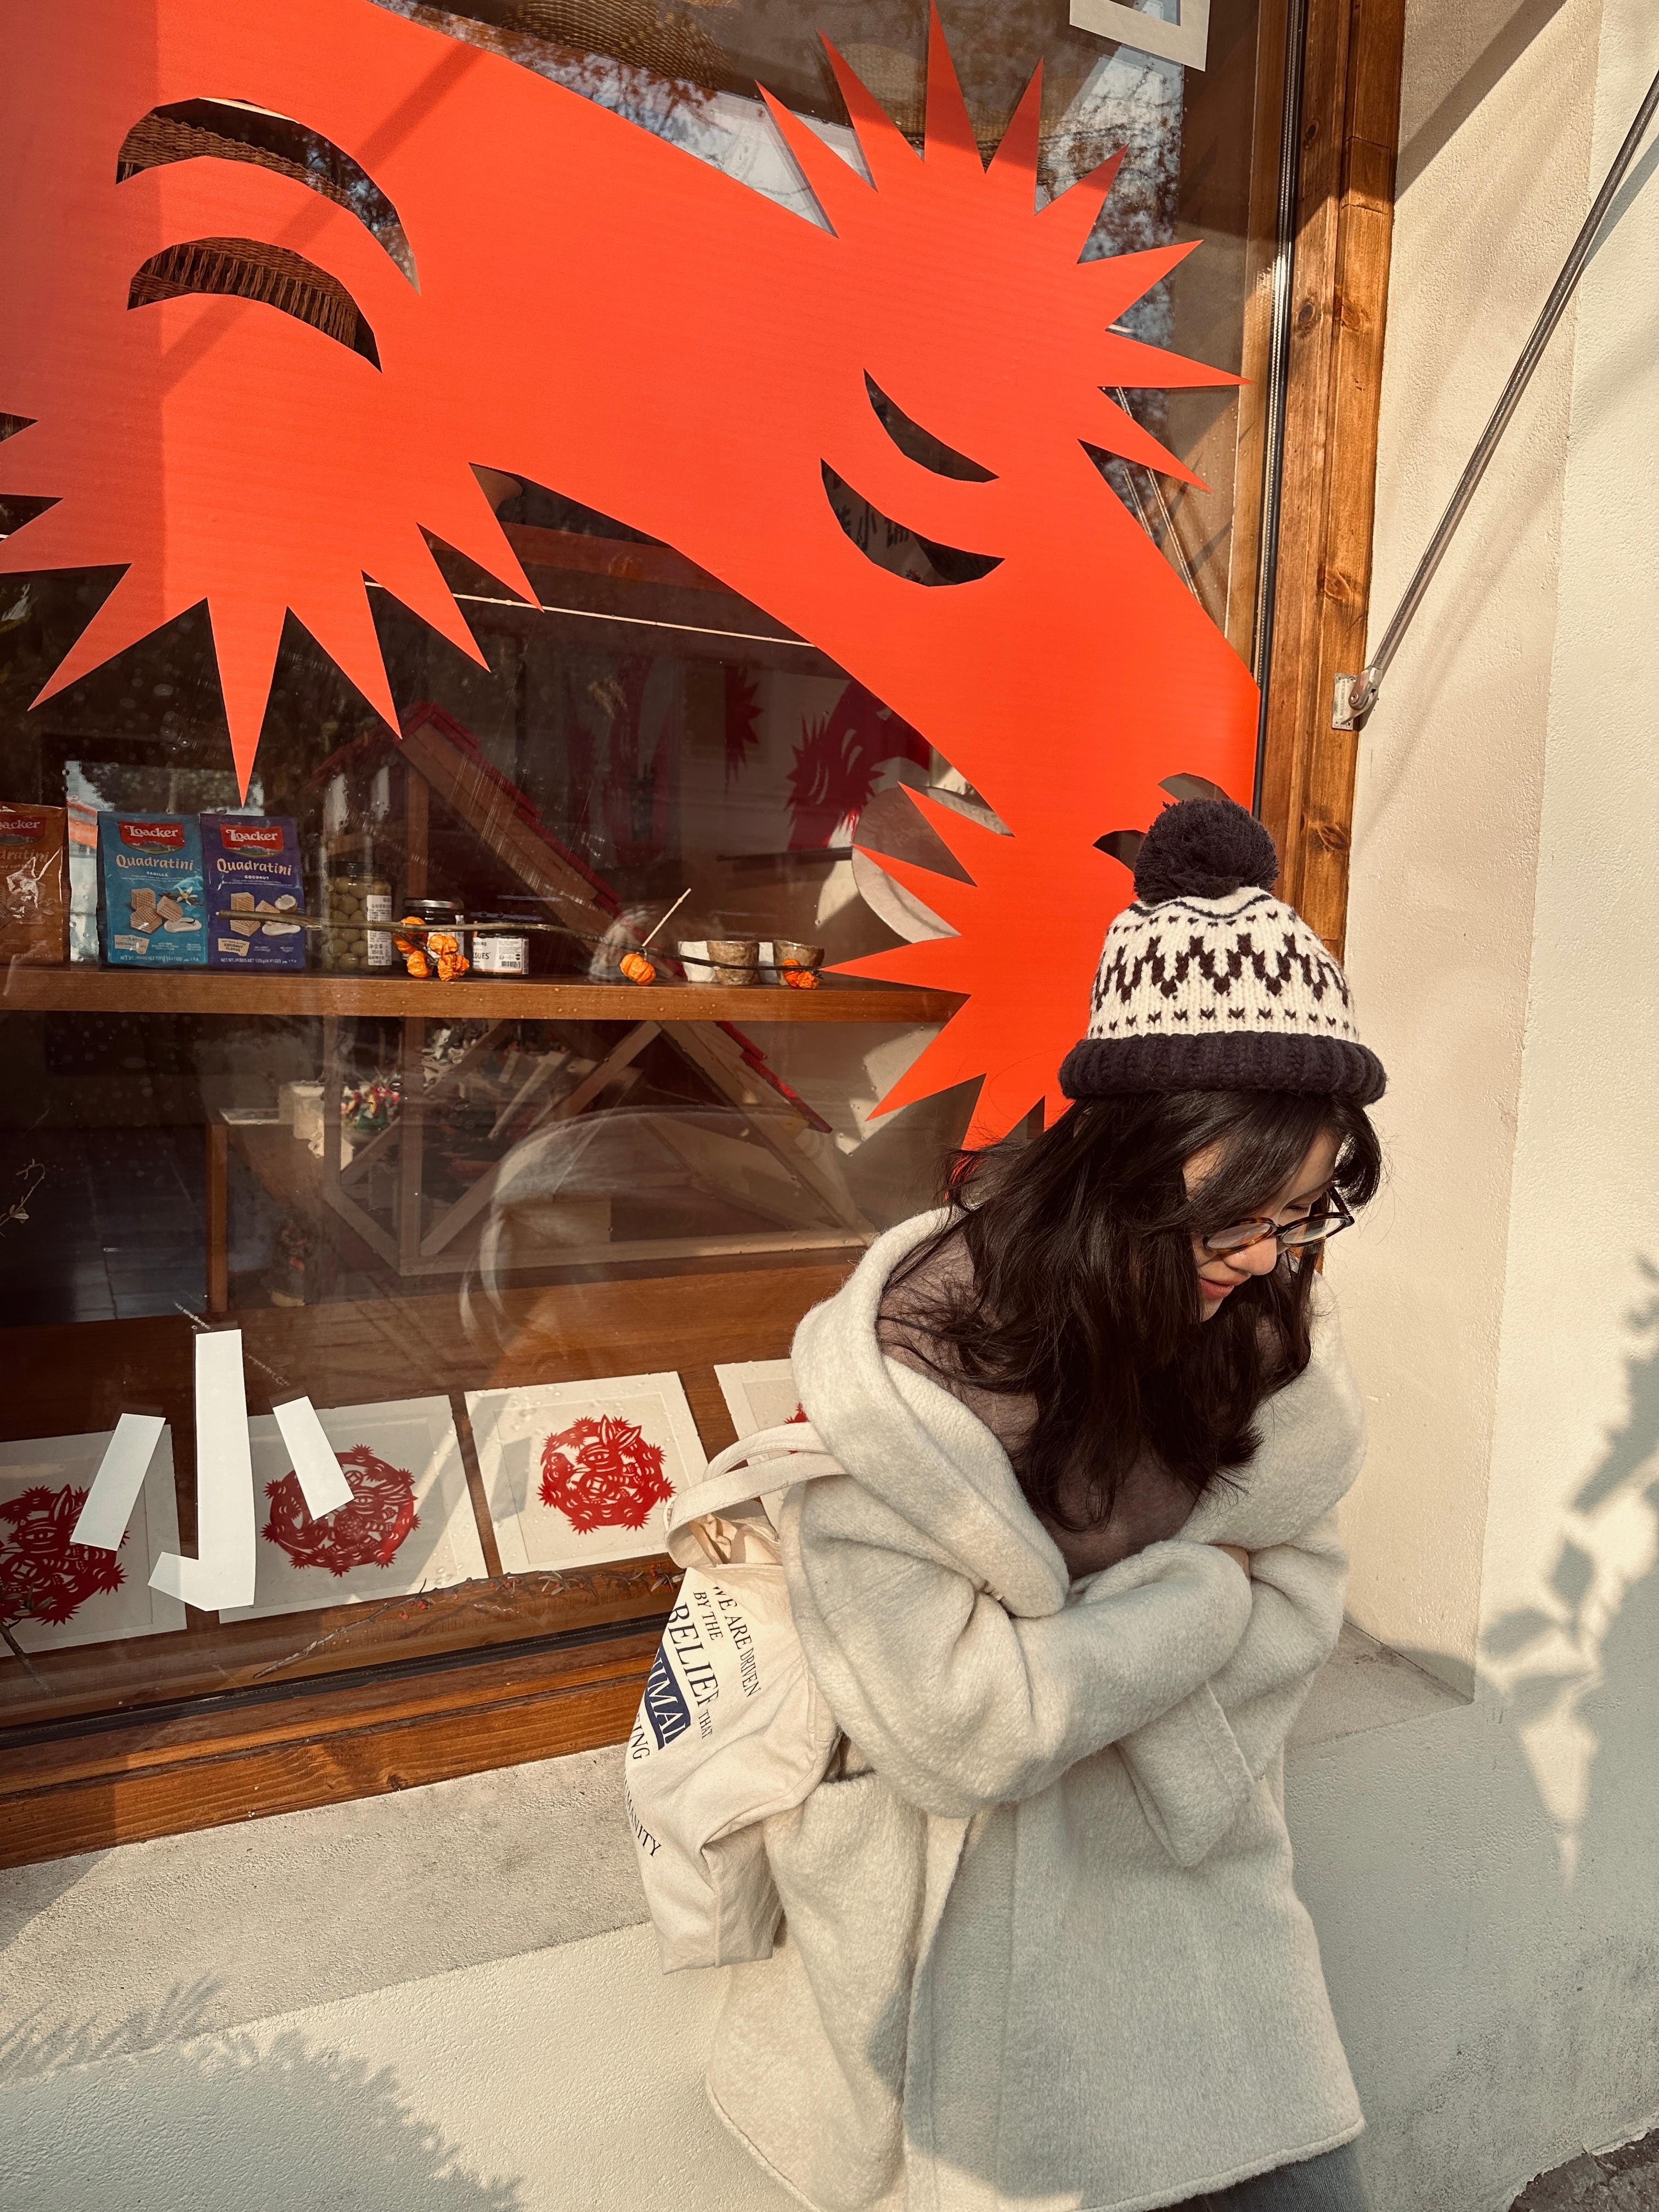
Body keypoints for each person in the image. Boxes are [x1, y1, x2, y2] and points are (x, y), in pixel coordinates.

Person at [704, 797, 1388, 2212]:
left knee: (1305, 2185)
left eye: (1304, 1215)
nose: (1271, 1260)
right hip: (971, 1938)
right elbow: (961, 1728)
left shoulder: (1252, 1333)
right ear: (1128, 1166)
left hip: (1193, 1888)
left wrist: (1103, 1690)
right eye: (1241, 1216)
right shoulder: (919, 1372)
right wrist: (1194, 1600)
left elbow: (1304, 1587)